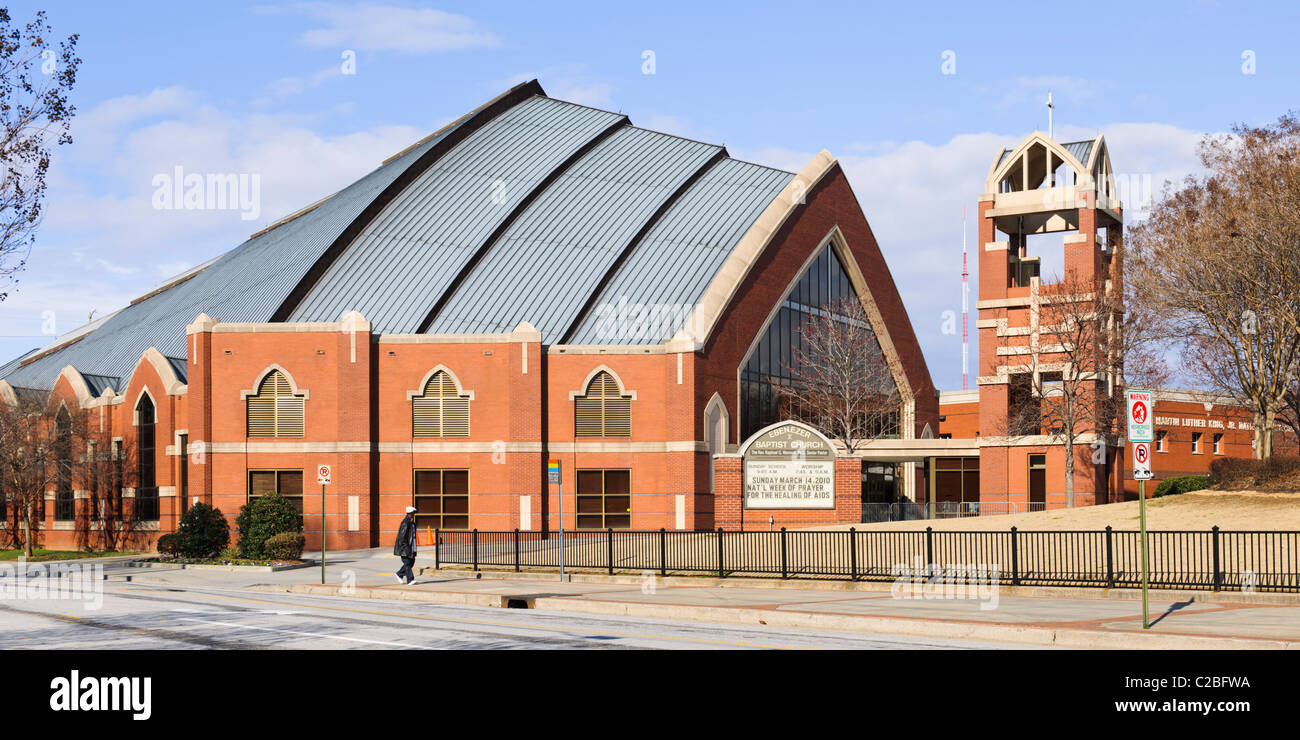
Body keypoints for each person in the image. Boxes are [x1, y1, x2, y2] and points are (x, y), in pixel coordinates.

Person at [394, 506, 417, 585]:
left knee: (411, 562)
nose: (414, 514)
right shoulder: (405, 523)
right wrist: (406, 549)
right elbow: (402, 537)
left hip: (412, 547)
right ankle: (410, 580)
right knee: (407, 563)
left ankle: (399, 574)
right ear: (409, 514)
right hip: (405, 548)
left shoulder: (412, 523)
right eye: (413, 513)